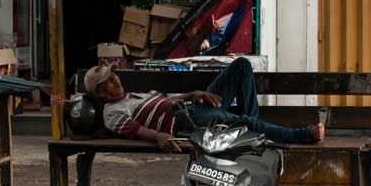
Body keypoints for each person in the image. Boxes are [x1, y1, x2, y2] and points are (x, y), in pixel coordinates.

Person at [85, 57, 325, 152]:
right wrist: (159, 137)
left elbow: (169, 100)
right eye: (108, 80)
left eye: (113, 75)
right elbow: (137, 131)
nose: (115, 79)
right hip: (186, 122)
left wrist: (194, 92)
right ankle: (302, 135)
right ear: (101, 92)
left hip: (192, 107)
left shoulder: (131, 96)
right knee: (247, 121)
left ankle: (247, 132)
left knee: (241, 65)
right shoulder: (113, 112)